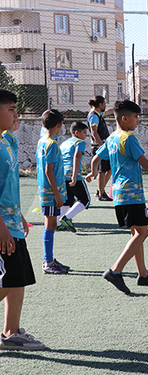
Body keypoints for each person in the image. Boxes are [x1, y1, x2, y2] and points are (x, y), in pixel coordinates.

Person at [87, 100, 148, 294]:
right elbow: (145, 163)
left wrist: (93, 172)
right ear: (125, 118)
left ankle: (143, 274)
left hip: (119, 194)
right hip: (132, 193)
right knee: (142, 233)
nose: (138, 121)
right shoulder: (127, 139)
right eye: (136, 117)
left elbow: (96, 158)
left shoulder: (112, 138)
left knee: (136, 232)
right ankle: (115, 270)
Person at [0, 89, 46, 350]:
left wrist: (18, 218)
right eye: (10, 109)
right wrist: (2, 227)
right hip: (2, 227)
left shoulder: (6, 142)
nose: (16, 114)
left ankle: (11, 332)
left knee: (18, 279)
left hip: (12, 223)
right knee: (11, 278)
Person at [37, 109, 70, 274]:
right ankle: (48, 261)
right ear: (60, 125)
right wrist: (57, 194)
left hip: (47, 192)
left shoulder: (43, 141)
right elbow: (48, 171)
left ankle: (49, 258)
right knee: (50, 225)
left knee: (50, 224)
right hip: (50, 193)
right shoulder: (51, 144)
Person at [57, 121, 92, 233]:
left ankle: (58, 223)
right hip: (72, 173)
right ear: (77, 132)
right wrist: (74, 175)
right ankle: (66, 218)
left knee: (68, 200)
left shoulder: (64, 143)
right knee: (85, 199)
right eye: (84, 132)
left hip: (62, 174)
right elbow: (77, 156)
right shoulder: (80, 142)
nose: (86, 135)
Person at [88, 96, 114, 202]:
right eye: (104, 103)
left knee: (109, 169)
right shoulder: (94, 116)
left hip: (104, 146)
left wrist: (119, 108)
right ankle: (101, 194)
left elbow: (108, 112)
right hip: (99, 147)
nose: (105, 105)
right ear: (100, 105)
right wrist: (101, 145)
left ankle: (100, 190)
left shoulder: (98, 114)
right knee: (102, 171)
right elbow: (94, 132)